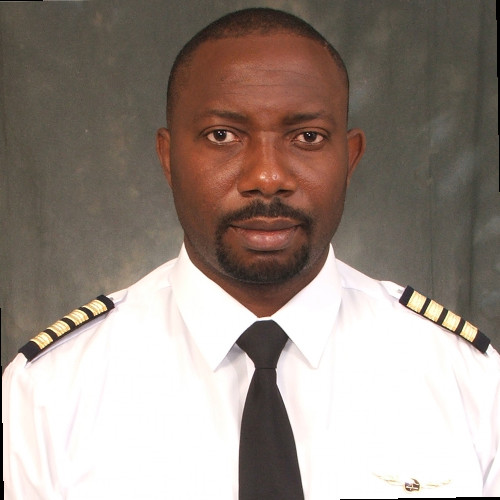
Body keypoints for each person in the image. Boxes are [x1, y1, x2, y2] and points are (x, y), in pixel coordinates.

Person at [3, 7, 499, 499]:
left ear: (349, 158)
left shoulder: (470, 383)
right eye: (223, 135)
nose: (267, 177)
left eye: (307, 137)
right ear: (168, 158)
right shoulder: (46, 396)